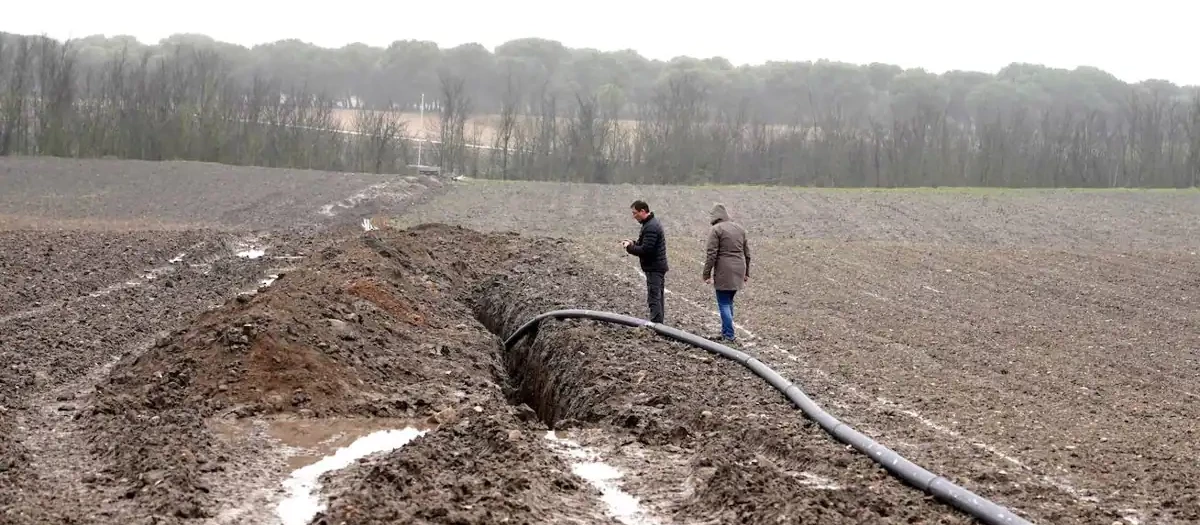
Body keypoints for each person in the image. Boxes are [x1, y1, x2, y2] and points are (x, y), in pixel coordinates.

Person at [702, 203, 750, 342]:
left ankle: (729, 335)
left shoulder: (716, 230)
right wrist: (747, 272)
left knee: (723, 303)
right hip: (739, 269)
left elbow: (711, 254)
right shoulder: (739, 228)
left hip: (724, 270)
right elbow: (747, 253)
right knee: (728, 302)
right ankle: (725, 332)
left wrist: (706, 274)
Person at [622, 200, 668, 324]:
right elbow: (645, 244)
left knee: (654, 297)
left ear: (643, 211)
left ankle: (656, 325)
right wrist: (633, 242)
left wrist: (629, 247)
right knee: (657, 295)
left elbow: (646, 250)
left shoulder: (651, 226)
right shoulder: (649, 224)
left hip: (654, 268)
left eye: (635, 213)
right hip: (656, 266)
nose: (634, 216)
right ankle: (659, 324)